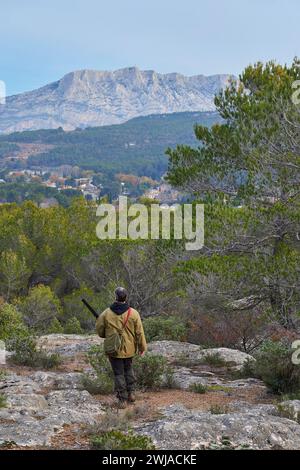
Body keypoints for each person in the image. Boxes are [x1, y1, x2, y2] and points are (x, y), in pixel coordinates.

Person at [96, 287, 147, 407]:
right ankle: (131, 394)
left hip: (114, 349)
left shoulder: (106, 313)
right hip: (129, 349)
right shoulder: (134, 313)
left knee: (118, 373)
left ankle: (122, 400)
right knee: (128, 370)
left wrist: (109, 335)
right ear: (126, 297)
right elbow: (139, 332)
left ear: (115, 297)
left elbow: (100, 332)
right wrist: (142, 347)